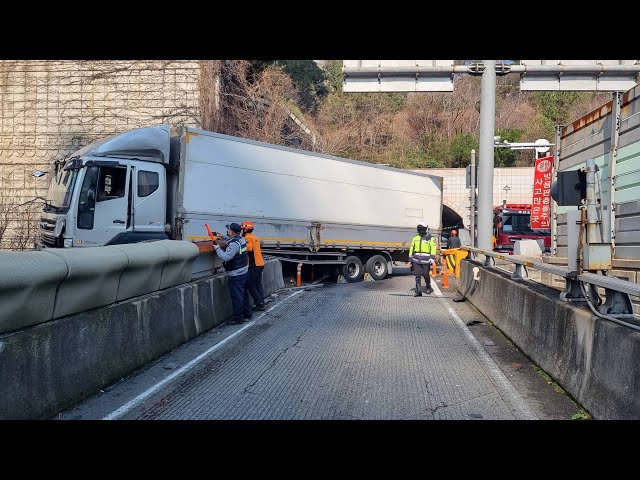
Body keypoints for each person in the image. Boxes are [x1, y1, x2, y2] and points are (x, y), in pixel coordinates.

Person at [212, 222, 249, 325]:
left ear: (232, 231)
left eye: (228, 230)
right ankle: (247, 313)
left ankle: (238, 318)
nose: (227, 231)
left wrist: (217, 248)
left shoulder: (233, 244)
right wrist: (220, 235)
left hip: (236, 273)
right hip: (244, 271)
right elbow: (231, 239)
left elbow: (226, 257)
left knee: (237, 297)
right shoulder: (240, 239)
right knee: (243, 294)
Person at [241, 220, 266, 314]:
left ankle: (259, 304)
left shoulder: (247, 238)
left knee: (250, 285)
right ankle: (261, 302)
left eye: (242, 229)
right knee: (258, 284)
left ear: (245, 229)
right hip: (260, 264)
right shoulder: (254, 237)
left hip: (253, 265)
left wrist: (240, 246)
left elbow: (249, 248)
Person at [409, 222, 437, 297]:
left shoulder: (430, 238)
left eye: (423, 229)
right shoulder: (415, 238)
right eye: (420, 229)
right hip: (416, 259)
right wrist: (410, 259)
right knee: (417, 275)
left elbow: (433, 248)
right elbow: (412, 248)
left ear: (426, 229)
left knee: (425, 275)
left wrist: (432, 258)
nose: (421, 231)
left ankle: (428, 286)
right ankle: (419, 291)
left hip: (426, 259)